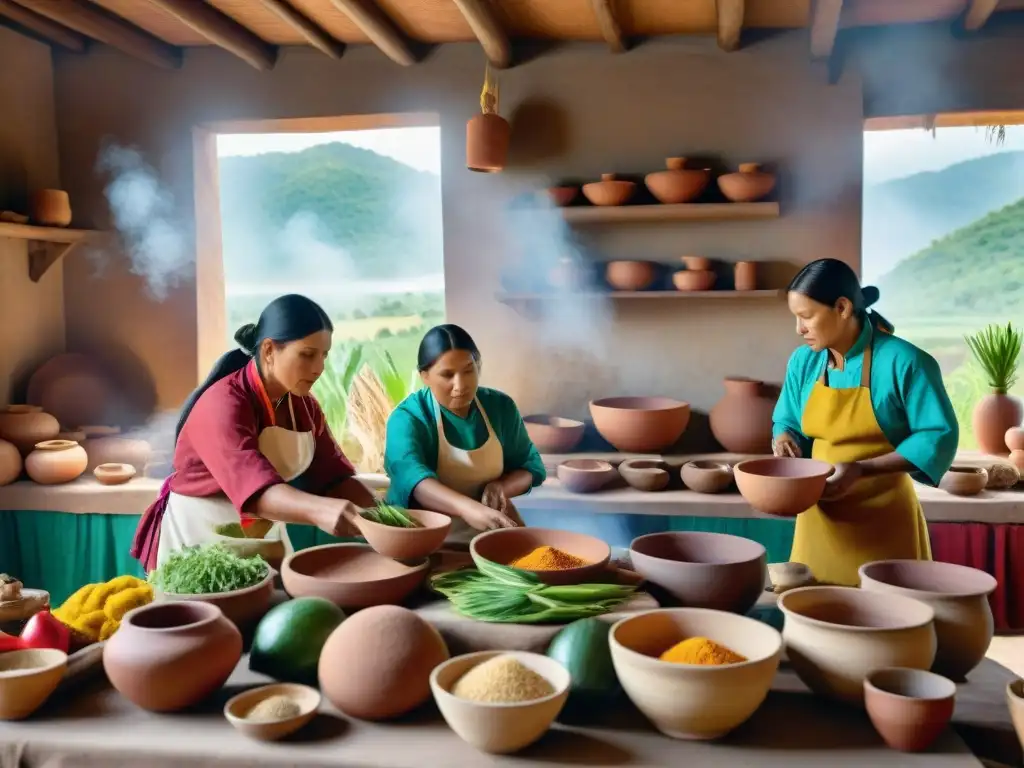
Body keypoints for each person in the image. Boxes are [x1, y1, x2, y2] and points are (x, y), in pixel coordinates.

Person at [131, 294, 376, 571]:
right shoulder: (222, 403)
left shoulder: (304, 406)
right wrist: (321, 510)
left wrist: (385, 515)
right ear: (270, 350)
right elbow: (256, 492)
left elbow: (333, 478)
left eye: (324, 355)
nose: (319, 368)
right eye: (307, 355)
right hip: (200, 537)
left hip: (263, 535)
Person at [772, 258, 958, 586]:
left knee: (889, 623)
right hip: (820, 519)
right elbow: (787, 416)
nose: (798, 329)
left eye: (805, 317)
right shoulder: (804, 361)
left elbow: (936, 435)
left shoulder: (906, 362)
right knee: (815, 617)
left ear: (842, 307)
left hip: (884, 519)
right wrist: (784, 436)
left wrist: (863, 468)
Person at [384, 324, 547, 544]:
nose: (460, 385)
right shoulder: (408, 418)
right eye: (447, 375)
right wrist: (468, 509)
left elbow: (530, 466)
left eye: (468, 370)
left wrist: (501, 487)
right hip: (424, 540)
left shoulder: (500, 407)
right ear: (425, 376)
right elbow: (412, 478)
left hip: (488, 536)